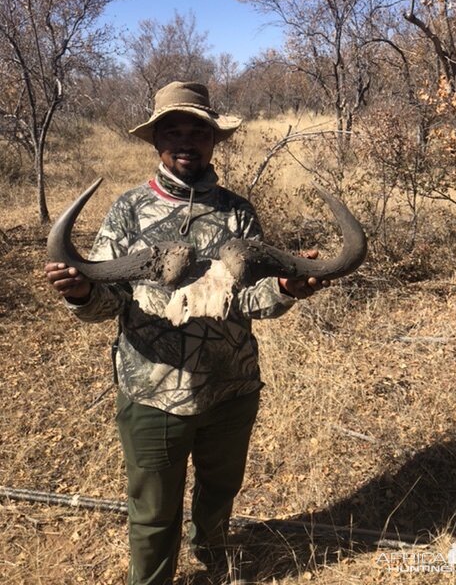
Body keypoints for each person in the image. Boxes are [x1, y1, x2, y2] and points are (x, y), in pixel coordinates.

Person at [45, 81, 326, 585]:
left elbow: (250, 301)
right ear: (155, 142)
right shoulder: (129, 210)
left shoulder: (237, 211)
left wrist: (287, 288)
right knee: (153, 515)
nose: (185, 141)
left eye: (197, 131)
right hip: (153, 397)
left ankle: (215, 560)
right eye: (172, 131)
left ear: (213, 141)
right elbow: (108, 302)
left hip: (232, 389)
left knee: (220, 493)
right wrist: (81, 294)